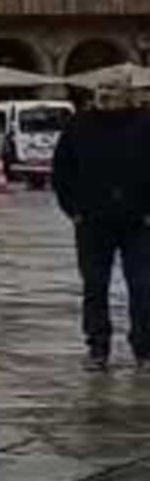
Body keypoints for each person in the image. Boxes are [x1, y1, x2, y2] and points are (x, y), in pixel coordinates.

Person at [51, 80, 150, 372]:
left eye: (112, 89)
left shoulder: (145, 125)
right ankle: (97, 347)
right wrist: (74, 211)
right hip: (92, 222)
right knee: (95, 286)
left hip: (139, 223)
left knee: (143, 287)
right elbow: (61, 171)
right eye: (101, 90)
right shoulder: (78, 126)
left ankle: (144, 349)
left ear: (128, 95)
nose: (105, 94)